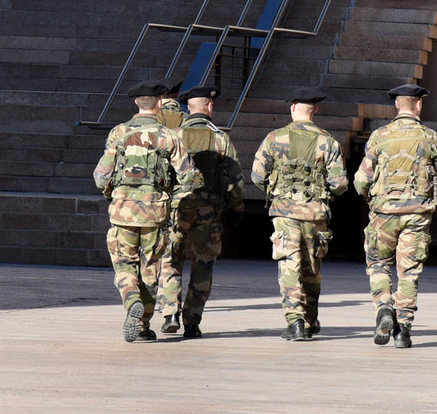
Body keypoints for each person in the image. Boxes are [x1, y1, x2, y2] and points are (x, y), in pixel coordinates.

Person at [93, 79, 200, 343]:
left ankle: (132, 303)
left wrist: (114, 195)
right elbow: (191, 177)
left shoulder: (119, 133)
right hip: (156, 213)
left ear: (136, 103)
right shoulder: (169, 136)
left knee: (124, 264)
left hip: (121, 211)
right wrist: (172, 200)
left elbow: (100, 176)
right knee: (150, 269)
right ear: (160, 103)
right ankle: (143, 325)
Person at [354, 83, 437, 348]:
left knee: (378, 264)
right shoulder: (430, 137)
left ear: (396, 106)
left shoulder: (379, 136)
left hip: (383, 214)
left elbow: (361, 181)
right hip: (417, 215)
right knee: (409, 271)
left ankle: (384, 308)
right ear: (418, 105)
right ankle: (403, 330)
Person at [252, 87, 347, 341]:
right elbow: (340, 183)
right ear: (315, 109)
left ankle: (295, 322)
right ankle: (311, 319)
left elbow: (257, 175)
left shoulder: (274, 138)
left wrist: (278, 191)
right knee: (312, 267)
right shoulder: (329, 141)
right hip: (316, 213)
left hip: (284, 212)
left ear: (292, 106)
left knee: (289, 264)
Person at [156, 85, 245, 338]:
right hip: (208, 211)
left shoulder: (173, 136)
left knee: (171, 259)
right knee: (202, 264)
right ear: (209, 106)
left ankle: (170, 312)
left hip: (178, 210)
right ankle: (192, 322)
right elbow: (235, 177)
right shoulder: (219, 138)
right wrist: (237, 207)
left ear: (187, 108)